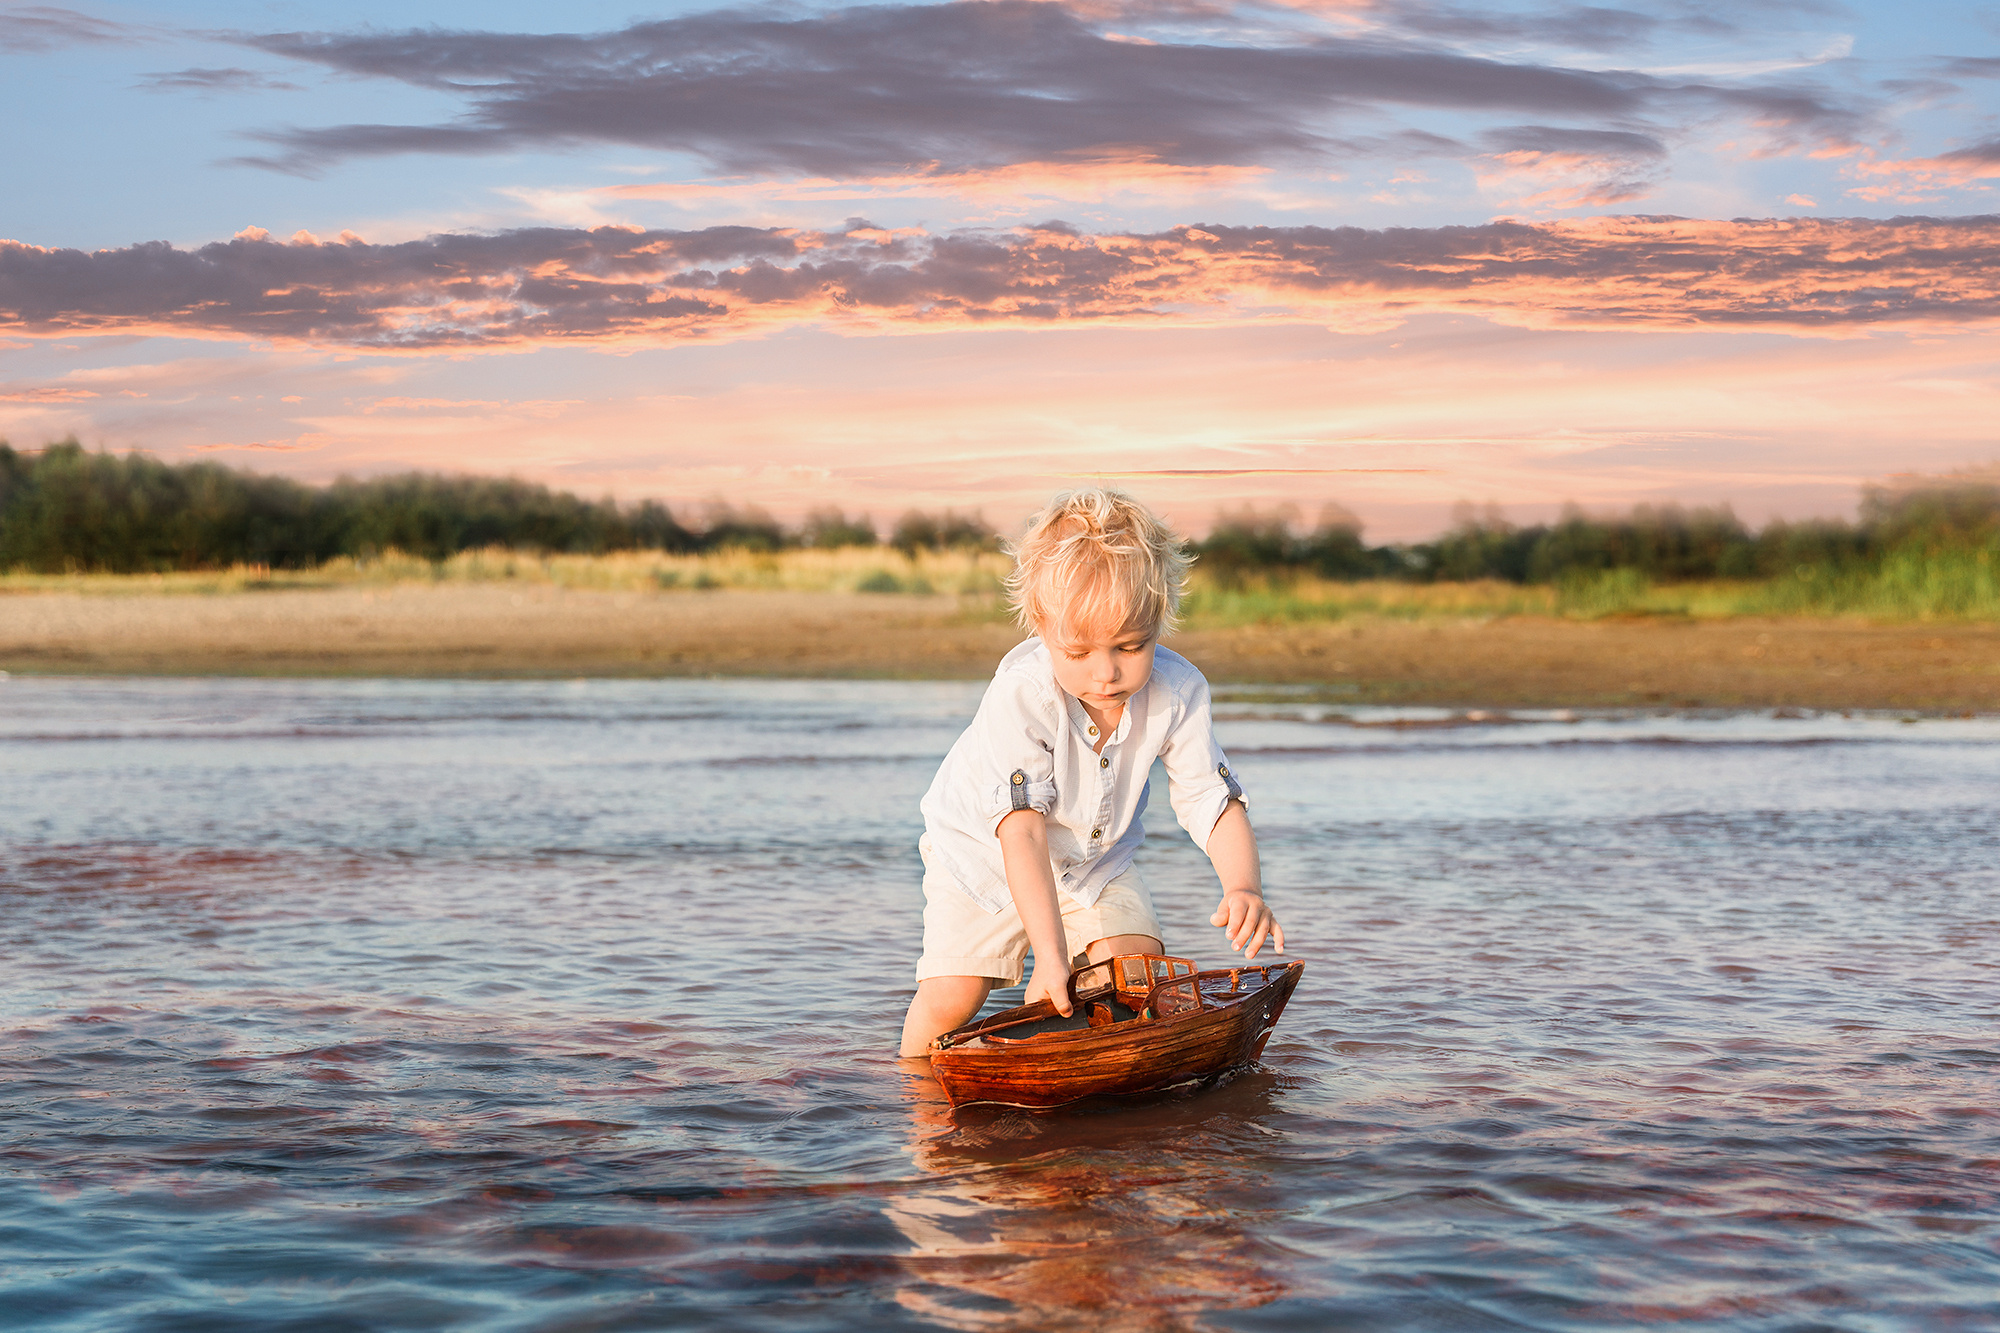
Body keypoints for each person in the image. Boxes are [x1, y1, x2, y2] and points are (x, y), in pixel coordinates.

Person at [898, 487, 1285, 1058]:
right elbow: (1021, 830)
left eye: (1132, 646)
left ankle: (1079, 1073)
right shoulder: (1023, 695)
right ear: (1041, 629)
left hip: (1091, 862)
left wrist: (1243, 885)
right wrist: (1049, 954)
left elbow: (1210, 797)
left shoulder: (1178, 691)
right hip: (985, 857)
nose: (1106, 672)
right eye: (1078, 652)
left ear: (1160, 621)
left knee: (1133, 974)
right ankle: (912, 1088)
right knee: (953, 996)